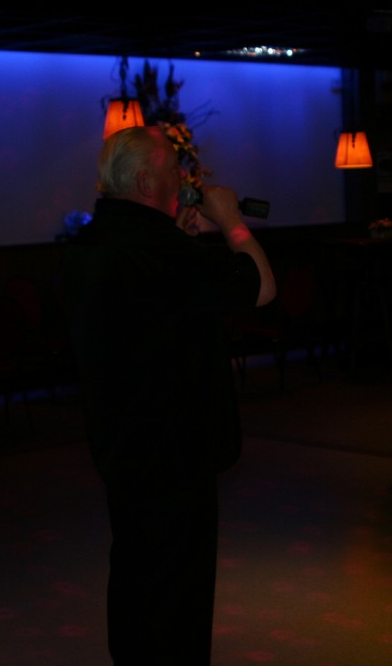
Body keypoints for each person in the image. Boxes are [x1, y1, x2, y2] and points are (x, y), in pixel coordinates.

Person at [62, 125, 276, 664]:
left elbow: (159, 308)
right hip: (174, 451)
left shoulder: (93, 242)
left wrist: (181, 239)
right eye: (175, 170)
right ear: (145, 182)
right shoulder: (157, 250)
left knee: (137, 577)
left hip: (121, 445)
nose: (184, 179)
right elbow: (260, 286)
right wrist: (231, 222)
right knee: (178, 594)